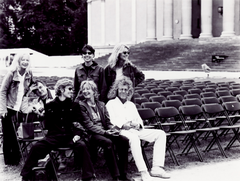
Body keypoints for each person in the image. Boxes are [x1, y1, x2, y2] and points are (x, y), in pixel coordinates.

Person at [20, 78, 96, 181]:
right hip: (53, 137)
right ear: (61, 89)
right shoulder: (50, 105)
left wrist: (77, 135)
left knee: (82, 145)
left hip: (69, 137)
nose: (71, 91)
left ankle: (89, 177)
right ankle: (26, 176)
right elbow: (47, 125)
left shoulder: (74, 105)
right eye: (69, 89)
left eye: (72, 89)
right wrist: (41, 116)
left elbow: (78, 123)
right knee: (36, 147)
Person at [106, 76, 170, 181]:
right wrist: (123, 125)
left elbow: (139, 121)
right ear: (116, 90)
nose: (123, 91)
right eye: (121, 89)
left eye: (125, 90)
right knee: (134, 139)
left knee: (160, 134)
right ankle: (143, 172)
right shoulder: (111, 104)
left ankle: (157, 168)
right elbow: (111, 121)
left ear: (129, 91)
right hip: (121, 131)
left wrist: (138, 125)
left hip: (135, 130)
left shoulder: (131, 104)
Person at [78, 80, 130, 181]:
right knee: (108, 142)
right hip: (92, 134)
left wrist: (113, 129)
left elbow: (108, 121)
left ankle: (123, 173)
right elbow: (89, 125)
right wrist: (106, 132)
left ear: (93, 91)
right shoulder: (82, 105)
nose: (85, 91)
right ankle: (116, 176)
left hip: (105, 131)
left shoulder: (101, 104)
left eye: (87, 89)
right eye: (83, 89)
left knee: (124, 140)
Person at [0, 53, 34, 166]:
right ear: (18, 61)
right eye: (23, 60)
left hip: (19, 109)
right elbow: (2, 91)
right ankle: (9, 160)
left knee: (17, 135)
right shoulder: (11, 74)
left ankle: (17, 157)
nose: (25, 62)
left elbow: (31, 88)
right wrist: (3, 109)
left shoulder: (29, 74)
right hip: (9, 108)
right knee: (8, 135)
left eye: (27, 60)